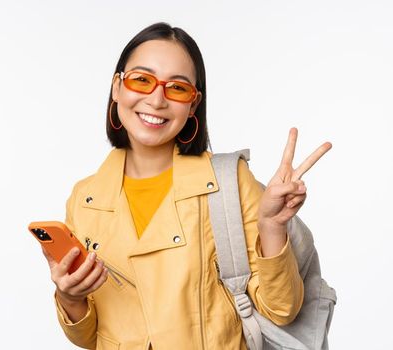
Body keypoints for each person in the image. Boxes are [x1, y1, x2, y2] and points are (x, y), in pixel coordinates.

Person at [41, 22, 332, 349]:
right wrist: (69, 296)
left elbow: (281, 311)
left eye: (177, 88)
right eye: (141, 79)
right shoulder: (85, 198)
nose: (156, 99)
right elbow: (88, 337)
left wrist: (272, 225)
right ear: (117, 88)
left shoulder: (229, 183)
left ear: (193, 104)